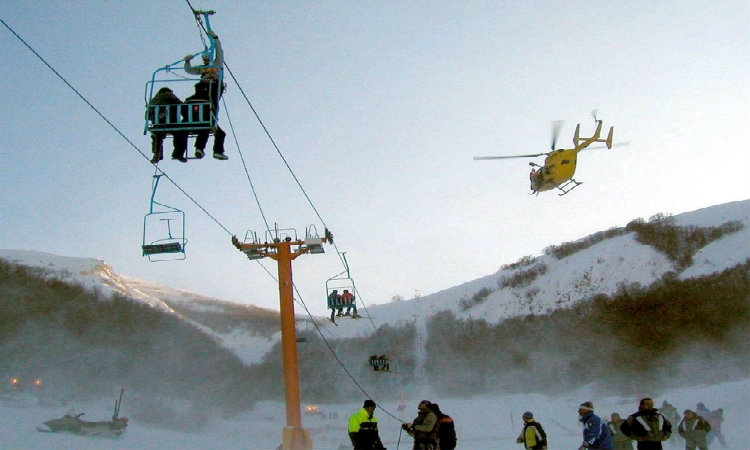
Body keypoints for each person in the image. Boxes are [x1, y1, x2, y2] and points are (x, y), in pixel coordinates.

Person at [183, 82, 228, 160]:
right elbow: (212, 110)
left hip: (188, 123)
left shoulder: (188, 100)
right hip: (205, 122)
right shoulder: (209, 99)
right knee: (219, 133)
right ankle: (217, 151)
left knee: (203, 130)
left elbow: (183, 111)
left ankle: (198, 149)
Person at [147, 87, 188, 163]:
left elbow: (147, 117)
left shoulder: (152, 101)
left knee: (157, 136)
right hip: (171, 122)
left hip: (157, 124)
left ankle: (157, 153)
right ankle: (178, 153)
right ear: (167, 91)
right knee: (181, 134)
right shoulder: (169, 95)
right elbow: (180, 105)